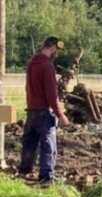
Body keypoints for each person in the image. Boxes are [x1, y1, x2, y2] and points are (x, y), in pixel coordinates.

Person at [18, 36, 70, 184]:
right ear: (53, 48)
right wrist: (60, 115)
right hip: (44, 112)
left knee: (30, 142)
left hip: (32, 110)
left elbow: (28, 88)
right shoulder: (47, 66)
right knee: (48, 145)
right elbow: (51, 94)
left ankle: (23, 171)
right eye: (57, 51)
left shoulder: (31, 63)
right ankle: (46, 177)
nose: (56, 54)